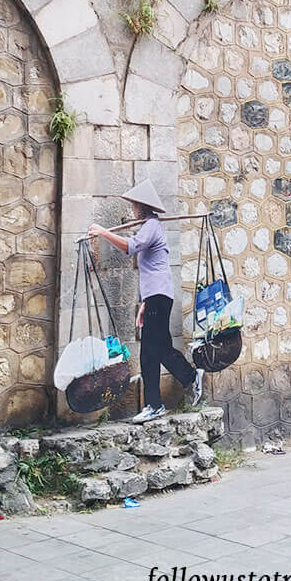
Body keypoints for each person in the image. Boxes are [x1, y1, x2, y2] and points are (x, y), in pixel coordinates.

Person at [90, 180, 203, 423]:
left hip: (160, 297)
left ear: (142, 207)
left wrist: (103, 232)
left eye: (134, 205)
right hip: (157, 297)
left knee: (149, 354)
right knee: (161, 349)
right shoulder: (151, 227)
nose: (132, 209)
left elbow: (131, 247)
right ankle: (191, 377)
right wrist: (144, 304)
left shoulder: (152, 225)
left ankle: (154, 404)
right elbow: (152, 270)